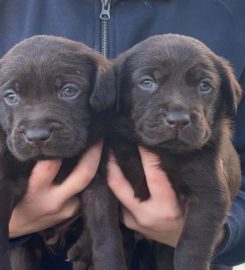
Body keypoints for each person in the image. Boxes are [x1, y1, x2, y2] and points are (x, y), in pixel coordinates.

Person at [0, 0, 244, 269]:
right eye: (147, 82)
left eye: (68, 90)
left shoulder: (232, 10)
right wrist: (14, 227)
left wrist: (222, 235)